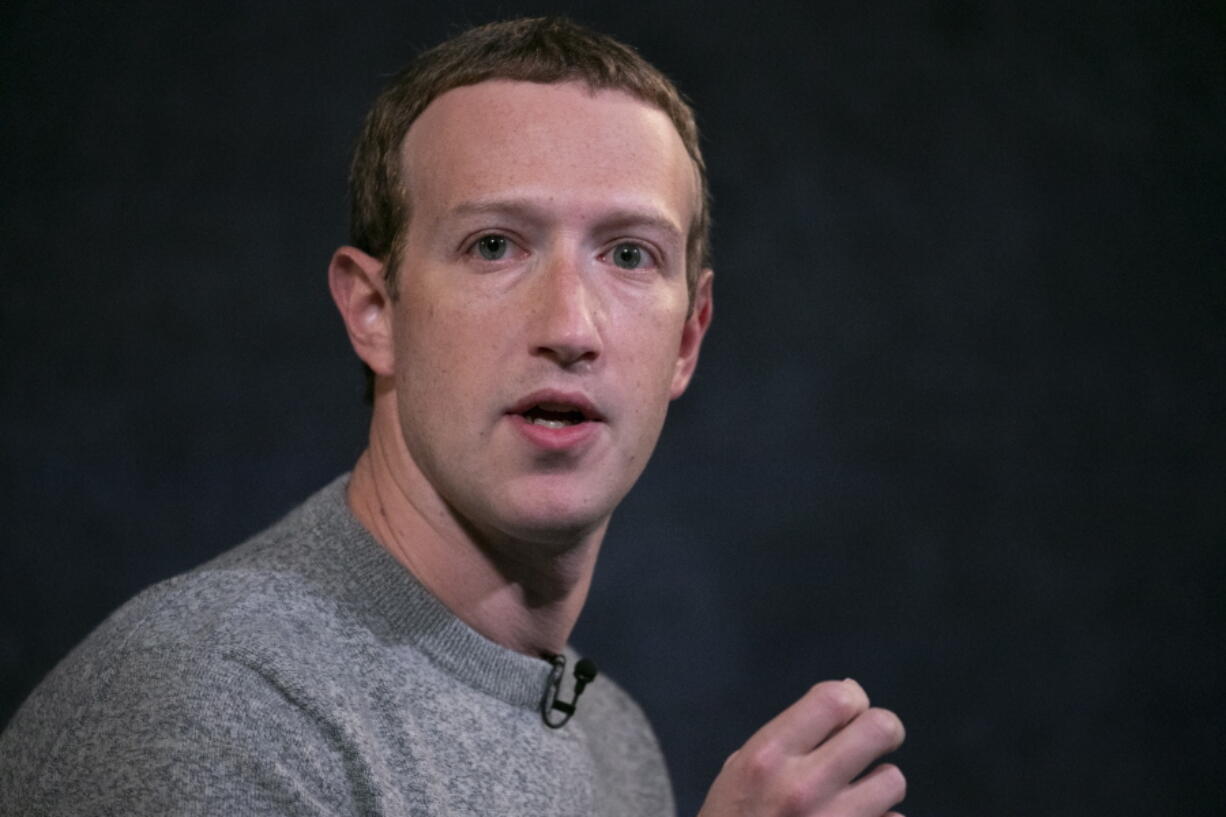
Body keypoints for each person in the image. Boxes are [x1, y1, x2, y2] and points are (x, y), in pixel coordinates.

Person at [0, 17, 906, 817]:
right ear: (374, 311)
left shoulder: (613, 742)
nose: (569, 327)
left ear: (686, 339)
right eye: (494, 246)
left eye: (629, 254)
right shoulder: (206, 703)